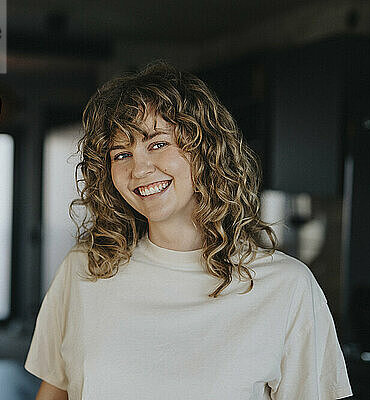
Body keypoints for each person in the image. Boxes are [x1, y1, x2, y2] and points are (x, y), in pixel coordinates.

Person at [25, 61, 352, 400]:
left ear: (206, 149)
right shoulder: (85, 268)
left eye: (157, 144)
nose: (139, 169)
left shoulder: (288, 287)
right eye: (121, 154)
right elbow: (54, 390)